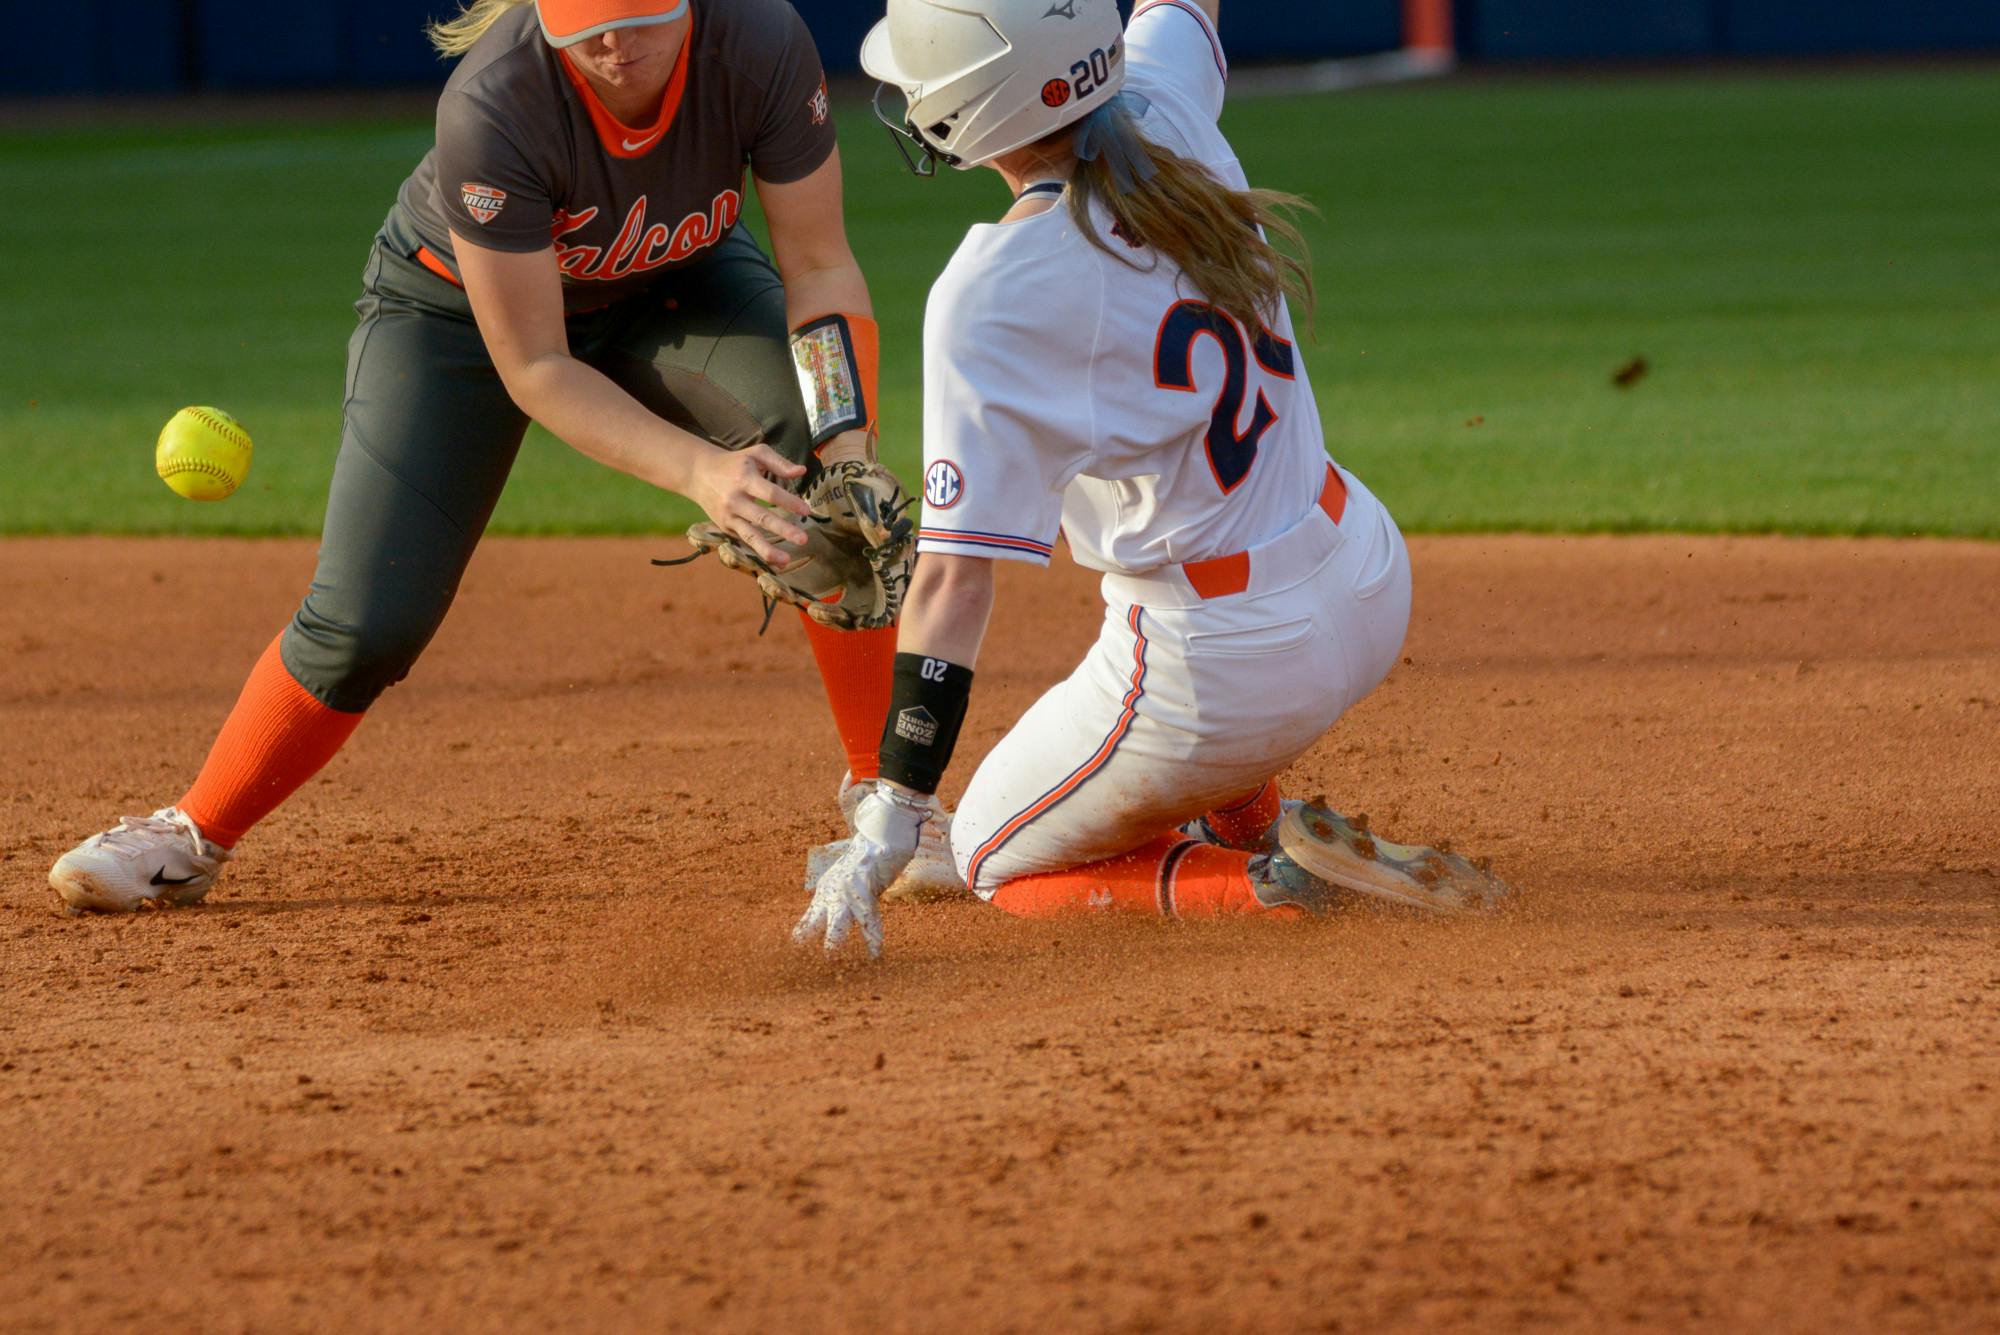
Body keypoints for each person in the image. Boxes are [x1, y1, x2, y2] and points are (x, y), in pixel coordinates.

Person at [49, 0, 938, 912]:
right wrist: (700, 471)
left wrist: (846, 443)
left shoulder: (759, 42)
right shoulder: (496, 101)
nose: (612, 44)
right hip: (456, 319)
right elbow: (539, 364)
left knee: (823, 490)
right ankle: (191, 834)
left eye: (640, 16)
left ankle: (892, 799)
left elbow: (821, 266)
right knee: (368, 621)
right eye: (585, 22)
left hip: (678, 283)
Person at [794, 0, 1509, 956]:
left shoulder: (994, 291)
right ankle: (1254, 817)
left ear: (966, 110)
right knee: (1166, 696)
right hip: (1366, 569)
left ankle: (1274, 884)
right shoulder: (1163, 97)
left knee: (988, 852)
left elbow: (956, 581)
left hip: (1225, 664)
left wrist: (892, 816)